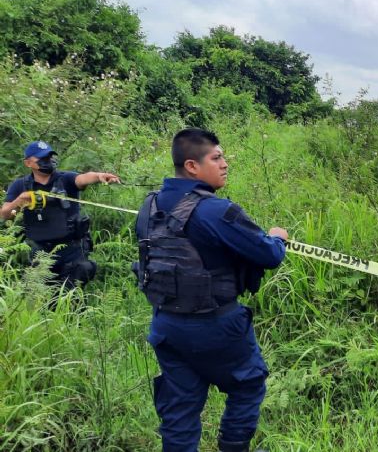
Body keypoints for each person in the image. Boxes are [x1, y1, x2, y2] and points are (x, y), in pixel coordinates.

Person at [134, 128, 287, 452]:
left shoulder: (149, 206)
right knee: (247, 384)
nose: (225, 164)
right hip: (216, 324)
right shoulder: (215, 210)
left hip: (166, 325)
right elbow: (269, 255)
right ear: (192, 166)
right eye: (216, 158)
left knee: (180, 406)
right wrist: (277, 237)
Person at [1, 140, 120, 287]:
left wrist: (99, 176)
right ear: (28, 163)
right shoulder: (20, 185)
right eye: (42, 158)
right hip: (39, 251)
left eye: (49, 157)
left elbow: (83, 178)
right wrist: (20, 200)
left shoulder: (66, 179)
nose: (48, 161)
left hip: (71, 250)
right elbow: (4, 214)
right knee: (38, 295)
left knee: (75, 285)